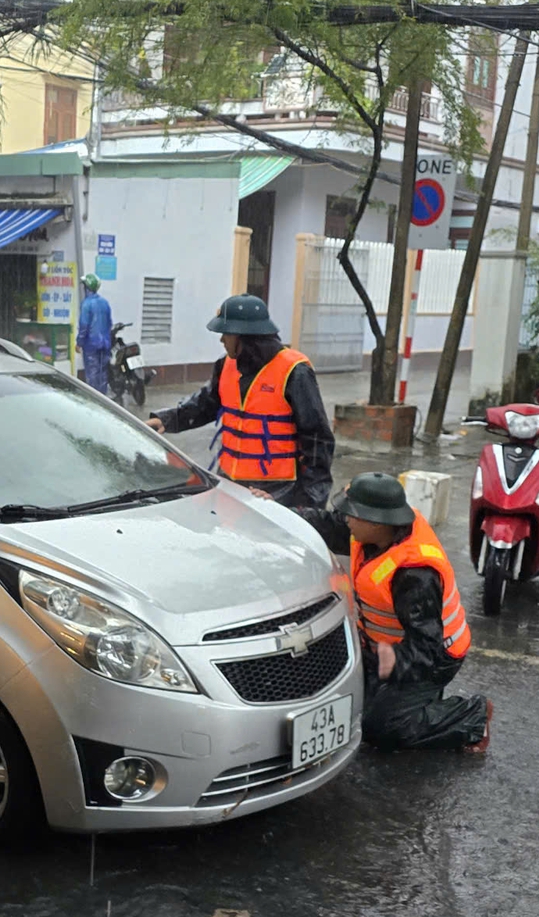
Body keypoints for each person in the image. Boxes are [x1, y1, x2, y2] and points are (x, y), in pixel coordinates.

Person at [294, 472, 491, 751]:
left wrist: (395, 662)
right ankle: (409, 695)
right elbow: (327, 525)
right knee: (335, 695)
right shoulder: (375, 532)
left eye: (352, 515)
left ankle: (471, 716)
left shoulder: (414, 575)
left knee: (382, 726)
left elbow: (426, 648)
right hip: (384, 648)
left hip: (430, 658)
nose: (345, 520)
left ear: (375, 522)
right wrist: (272, 510)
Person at [146, 293, 334, 509]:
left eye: (226, 333)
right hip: (230, 483)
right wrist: (166, 420)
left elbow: (318, 440)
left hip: (277, 491)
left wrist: (308, 505)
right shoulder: (226, 365)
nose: (221, 340)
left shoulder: (295, 371)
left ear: (243, 336)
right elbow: (205, 404)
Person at [77, 272, 114, 394]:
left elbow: (84, 326)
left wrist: (79, 343)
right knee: (103, 375)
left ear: (86, 288)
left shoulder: (86, 304)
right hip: (105, 344)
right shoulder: (105, 303)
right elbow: (109, 323)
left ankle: (93, 400)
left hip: (91, 345)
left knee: (92, 375)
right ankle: (102, 398)